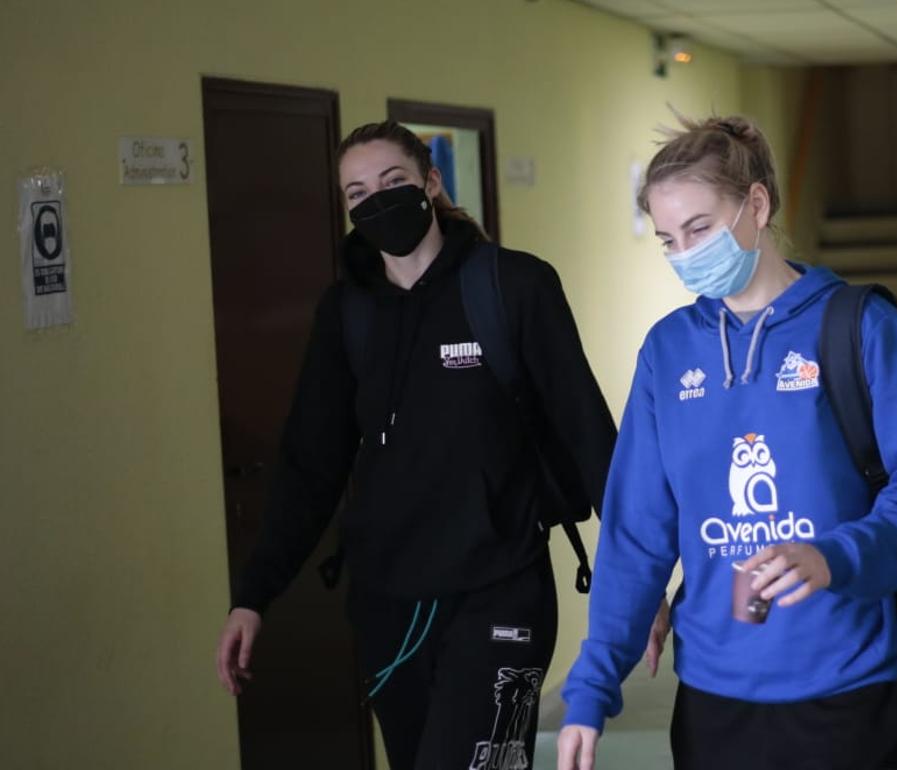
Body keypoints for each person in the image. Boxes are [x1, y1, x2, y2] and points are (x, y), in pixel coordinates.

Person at [556, 114, 897, 770]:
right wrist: (592, 686)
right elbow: (636, 532)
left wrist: (834, 555)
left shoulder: (861, 326)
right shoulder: (668, 350)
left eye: (699, 229)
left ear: (756, 204)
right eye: (667, 239)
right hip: (715, 693)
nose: (685, 254)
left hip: (849, 684)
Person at [214, 120, 619, 770]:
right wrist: (252, 595)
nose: (375, 202)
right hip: (389, 606)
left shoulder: (513, 287)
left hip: (500, 592)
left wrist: (640, 583)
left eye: (393, 182)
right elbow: (309, 466)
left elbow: (587, 434)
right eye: (356, 194)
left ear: (431, 182)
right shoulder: (347, 313)